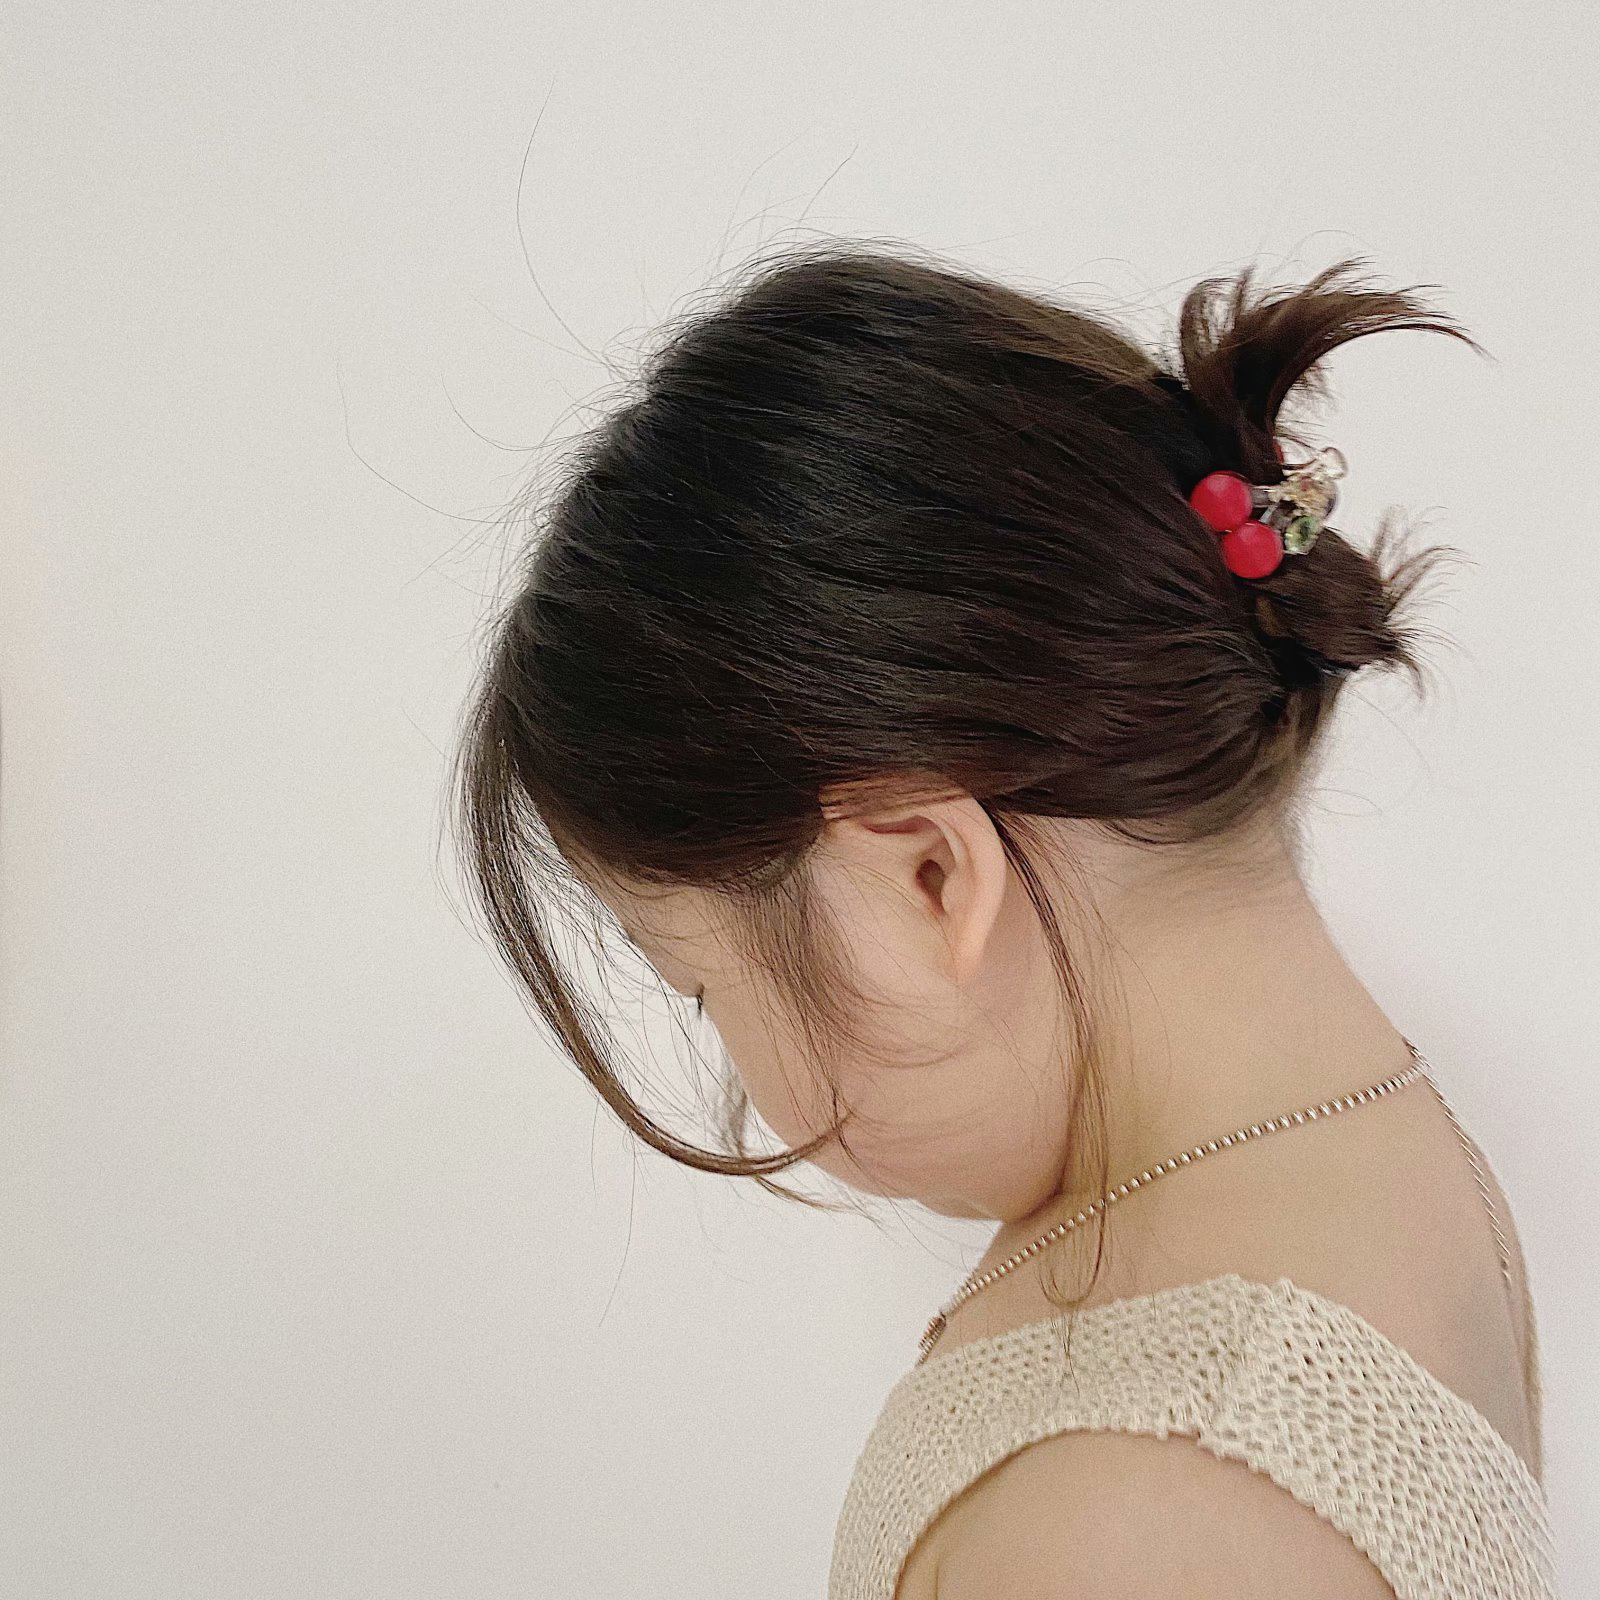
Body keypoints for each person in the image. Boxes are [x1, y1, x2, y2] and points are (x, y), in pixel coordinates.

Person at [449, 242, 1557, 1598]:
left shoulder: (1132, 1512)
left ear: (929, 877)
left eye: (703, 990)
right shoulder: (1380, 1159)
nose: (746, 1096)